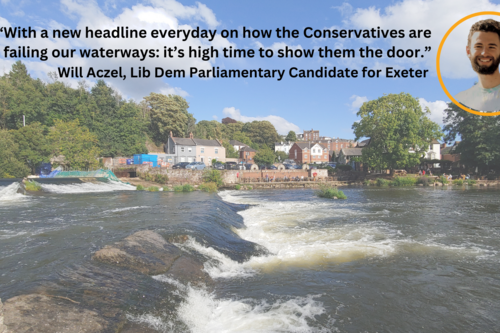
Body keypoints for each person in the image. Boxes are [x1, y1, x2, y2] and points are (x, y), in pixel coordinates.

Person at [455, 19, 500, 111]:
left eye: (491, 47)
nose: (484, 53)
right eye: (478, 46)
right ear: (468, 51)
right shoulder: (464, 99)